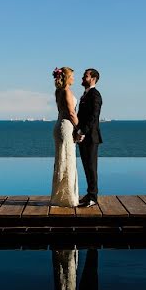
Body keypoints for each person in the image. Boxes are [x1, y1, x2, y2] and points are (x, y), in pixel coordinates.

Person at [51, 66, 79, 207]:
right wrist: (79, 129)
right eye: (72, 76)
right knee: (67, 161)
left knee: (62, 160)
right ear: (67, 77)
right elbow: (71, 113)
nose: (74, 78)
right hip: (66, 127)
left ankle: (60, 196)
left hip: (59, 125)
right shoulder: (66, 91)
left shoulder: (58, 91)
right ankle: (67, 199)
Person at [75, 68, 102, 207]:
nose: (82, 78)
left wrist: (83, 132)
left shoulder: (95, 95)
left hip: (91, 137)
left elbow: (93, 117)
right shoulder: (86, 95)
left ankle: (93, 197)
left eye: (85, 76)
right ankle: (89, 194)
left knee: (91, 167)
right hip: (84, 137)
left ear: (93, 78)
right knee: (86, 167)